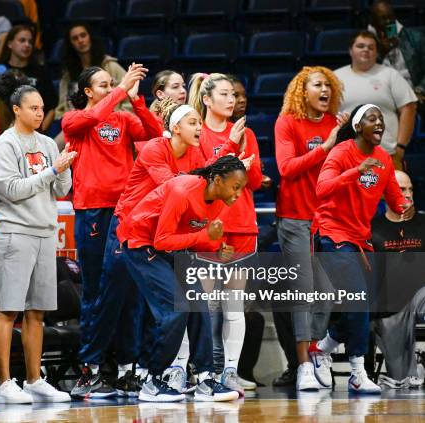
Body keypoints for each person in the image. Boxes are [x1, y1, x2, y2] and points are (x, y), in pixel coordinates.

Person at [71, 98, 205, 398]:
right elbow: (175, 187)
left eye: (199, 123)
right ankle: (90, 370)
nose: (198, 128)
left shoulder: (192, 154)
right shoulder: (156, 148)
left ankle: (137, 372)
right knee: (109, 297)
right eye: (192, 122)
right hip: (126, 227)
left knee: (142, 303)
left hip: (155, 234)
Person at [61, 64, 161, 397]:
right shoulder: (74, 120)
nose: (109, 89)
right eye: (102, 85)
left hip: (126, 212)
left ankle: (126, 368)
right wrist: (120, 91)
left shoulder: (123, 119)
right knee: (96, 290)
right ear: (87, 91)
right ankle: (90, 370)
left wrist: (137, 101)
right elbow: (91, 118)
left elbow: (155, 132)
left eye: (111, 84)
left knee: (130, 290)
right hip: (92, 212)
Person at [119, 156, 247, 402]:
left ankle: (206, 379)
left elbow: (191, 235)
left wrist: (216, 247)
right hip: (140, 242)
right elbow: (162, 240)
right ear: (217, 180)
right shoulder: (182, 190)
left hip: (170, 249)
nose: (238, 194)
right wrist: (204, 235)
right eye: (235, 187)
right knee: (176, 308)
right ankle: (152, 380)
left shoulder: (219, 201)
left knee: (198, 303)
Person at [310, 104, 415, 394]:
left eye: (381, 119)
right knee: (356, 301)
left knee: (363, 307)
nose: (379, 123)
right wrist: (356, 171)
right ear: (358, 127)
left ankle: (322, 348)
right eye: (373, 119)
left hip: (360, 240)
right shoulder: (341, 153)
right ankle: (357, 372)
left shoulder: (383, 158)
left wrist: (406, 207)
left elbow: (395, 200)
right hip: (332, 235)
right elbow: (322, 189)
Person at [0, 80, 74, 404]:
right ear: (16, 110)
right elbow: (13, 190)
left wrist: (63, 165)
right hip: (16, 232)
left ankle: (35, 379)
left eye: (41, 108)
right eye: (33, 108)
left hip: (45, 232)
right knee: (9, 310)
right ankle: (4, 383)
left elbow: (61, 190)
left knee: (37, 312)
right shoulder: (5, 146)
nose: (40, 113)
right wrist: (53, 169)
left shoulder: (48, 143)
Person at [273, 66, 349, 390]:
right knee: (303, 291)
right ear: (303, 91)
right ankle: (303, 364)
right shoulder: (287, 122)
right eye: (317, 85)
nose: (325, 91)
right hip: (294, 217)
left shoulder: (337, 124)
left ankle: (316, 350)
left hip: (326, 218)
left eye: (328, 85)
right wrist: (326, 146)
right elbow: (286, 169)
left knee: (328, 293)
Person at [188, 72, 261, 394]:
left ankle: (228, 371)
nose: (232, 100)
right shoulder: (196, 132)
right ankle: (201, 370)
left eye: (234, 94)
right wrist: (232, 155)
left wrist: (245, 166)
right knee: (204, 305)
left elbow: (255, 182)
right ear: (207, 99)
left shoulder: (248, 133)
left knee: (233, 307)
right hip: (208, 226)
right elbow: (200, 177)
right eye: (225, 94)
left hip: (242, 225)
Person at [371, 170, 425, 385]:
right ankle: (414, 369)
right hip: (390, 304)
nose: (409, 194)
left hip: (422, 296)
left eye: (411, 189)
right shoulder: (372, 229)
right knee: (403, 379)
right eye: (402, 189)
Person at [334, 31, 417, 170]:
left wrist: (401, 147)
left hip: (387, 153)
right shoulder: (335, 78)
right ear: (350, 50)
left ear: (376, 53)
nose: (366, 49)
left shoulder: (390, 75)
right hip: (346, 155)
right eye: (360, 46)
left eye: (371, 47)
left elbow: (409, 107)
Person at [0, 24, 57, 130]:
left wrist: (39, 133)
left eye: (30, 42)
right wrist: (1, 136)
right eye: (22, 40)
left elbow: (51, 109)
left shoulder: (41, 72)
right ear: (10, 44)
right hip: (3, 133)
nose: (27, 45)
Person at [55, 23, 129, 120]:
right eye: (75, 38)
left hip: (110, 121)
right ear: (70, 44)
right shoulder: (68, 75)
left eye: (83, 35)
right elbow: (62, 107)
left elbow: (128, 97)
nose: (80, 40)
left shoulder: (111, 66)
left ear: (90, 37)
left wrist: (119, 118)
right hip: (78, 122)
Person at [368, 0, 425, 105]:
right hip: (381, 96)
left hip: (412, 93)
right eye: (383, 18)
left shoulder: (414, 38)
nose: (389, 22)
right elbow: (364, 74)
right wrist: (381, 53)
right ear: (374, 21)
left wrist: (420, 90)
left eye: (391, 17)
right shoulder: (366, 43)